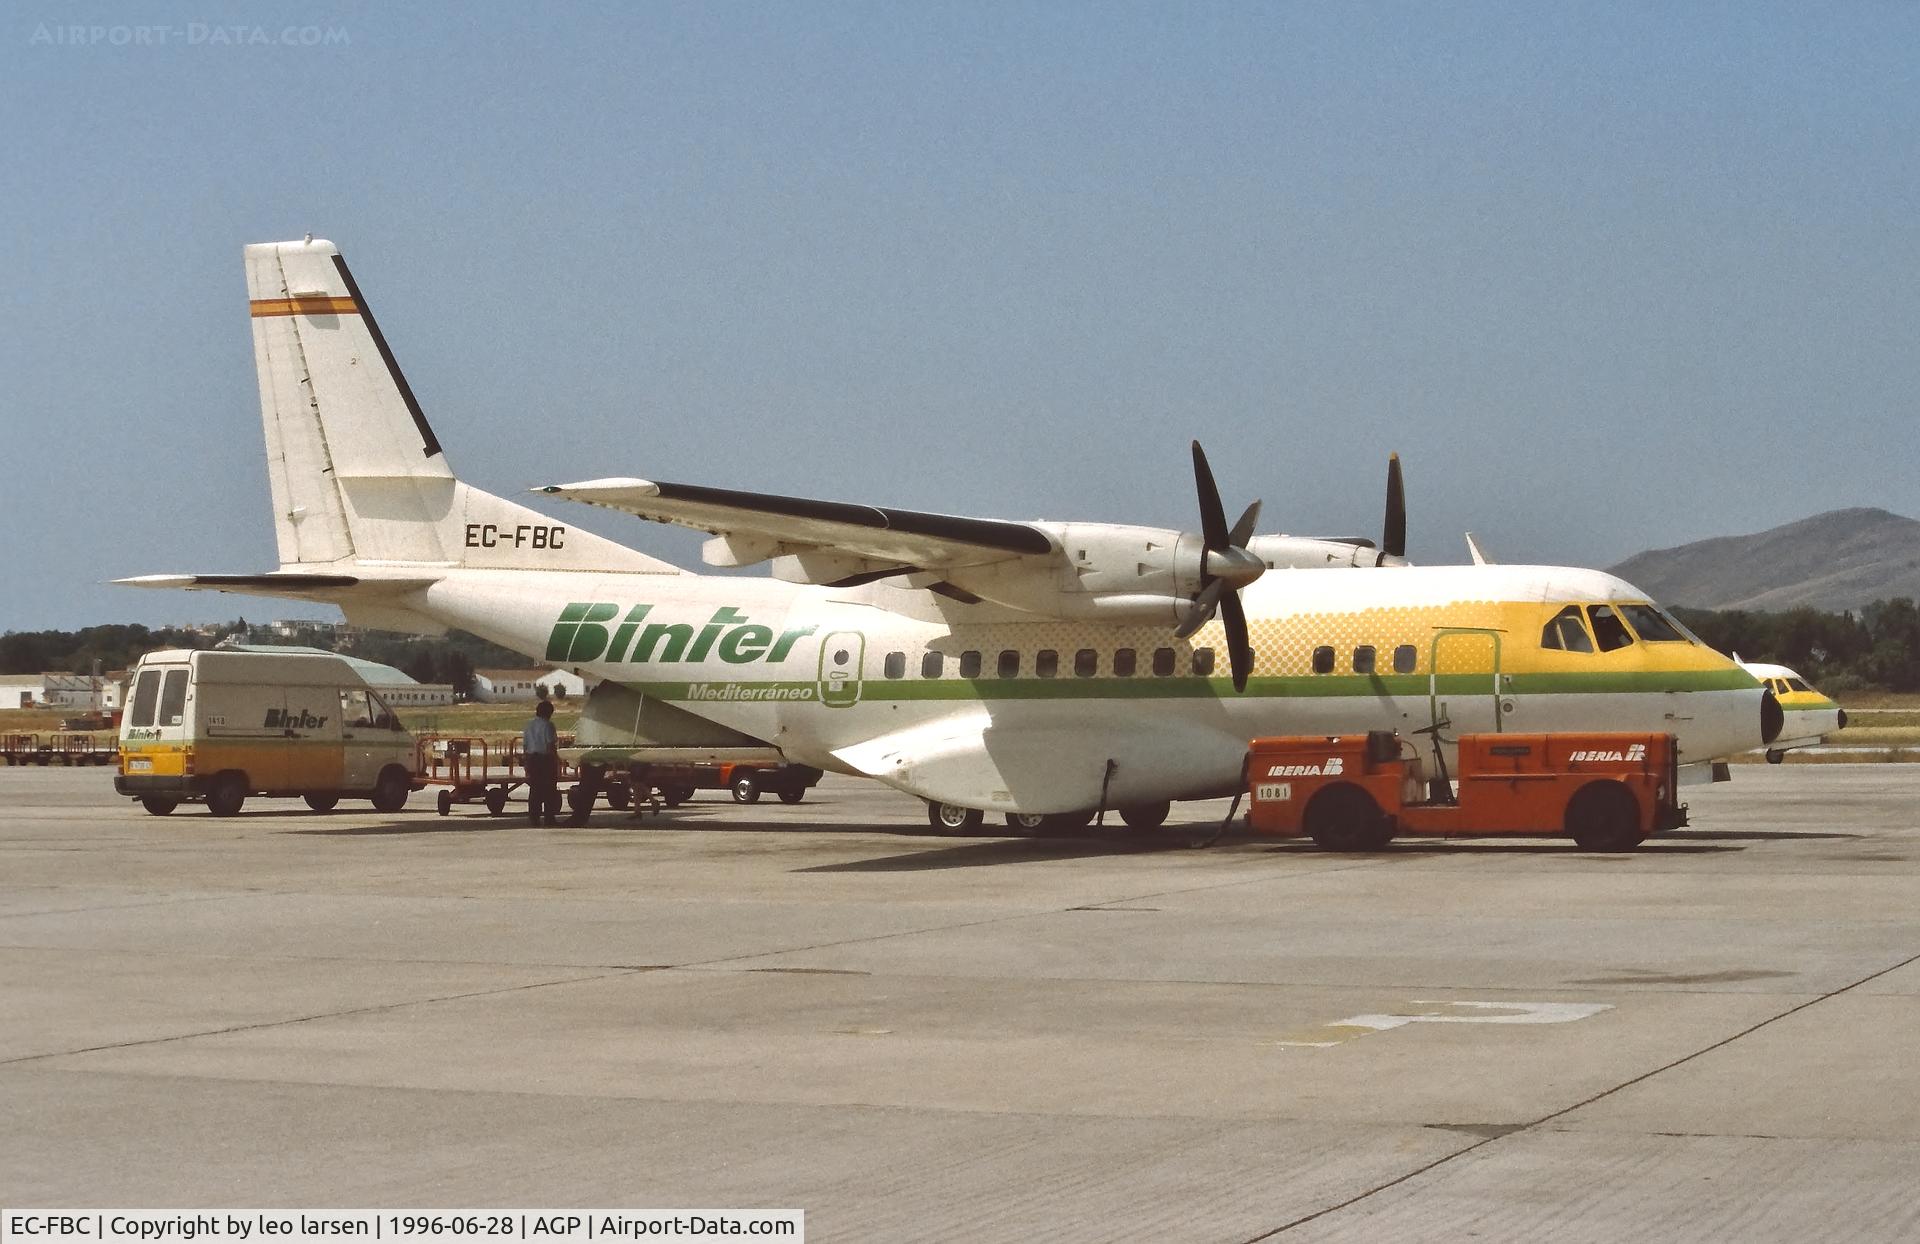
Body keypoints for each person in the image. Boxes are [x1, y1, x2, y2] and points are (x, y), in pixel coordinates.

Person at [522, 699, 559, 826]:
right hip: (545, 760)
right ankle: (549, 818)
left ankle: (534, 817)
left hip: (532, 759)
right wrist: (556, 761)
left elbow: (525, 745)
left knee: (535, 790)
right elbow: (550, 745)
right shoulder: (548, 725)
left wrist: (526, 763)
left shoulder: (529, 725)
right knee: (549, 790)